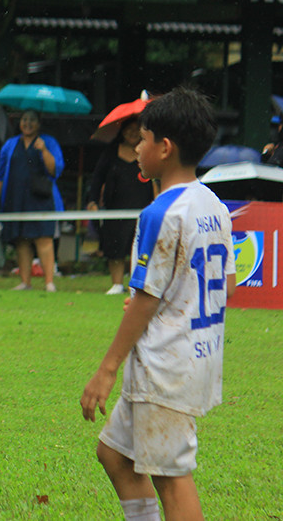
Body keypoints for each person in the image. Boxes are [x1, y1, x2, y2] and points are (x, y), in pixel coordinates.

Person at [81, 87, 235, 521]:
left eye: (142, 139)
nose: (136, 148)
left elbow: (146, 300)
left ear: (164, 149)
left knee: (172, 480)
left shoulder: (160, 213)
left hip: (166, 366)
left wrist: (105, 371)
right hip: (197, 355)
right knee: (114, 455)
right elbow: (228, 286)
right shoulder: (214, 205)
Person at [0, 109, 64, 292]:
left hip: (41, 198)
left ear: (39, 123)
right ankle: (25, 282)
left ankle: (49, 282)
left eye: (32, 120)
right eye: (24, 119)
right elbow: (0, 175)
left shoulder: (48, 142)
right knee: (21, 240)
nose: (28, 123)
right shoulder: (10, 144)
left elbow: (55, 170)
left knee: (43, 239)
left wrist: (44, 150)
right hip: (15, 198)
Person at [86, 117, 155, 295]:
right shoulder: (110, 152)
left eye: (136, 129)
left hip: (142, 208)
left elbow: (156, 178)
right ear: (122, 131)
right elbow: (97, 178)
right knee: (114, 245)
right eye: (128, 129)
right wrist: (92, 200)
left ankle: (137, 283)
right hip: (114, 209)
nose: (132, 133)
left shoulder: (148, 152)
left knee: (140, 247)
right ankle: (117, 284)